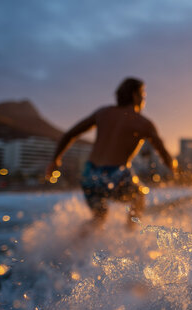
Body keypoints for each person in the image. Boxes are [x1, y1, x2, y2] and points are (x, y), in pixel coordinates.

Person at [46, 77, 174, 228]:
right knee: (139, 196)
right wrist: (174, 168)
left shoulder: (102, 113)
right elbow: (164, 154)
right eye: (143, 94)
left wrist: (55, 160)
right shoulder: (143, 123)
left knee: (99, 217)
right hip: (114, 175)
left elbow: (69, 134)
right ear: (135, 96)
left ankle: (70, 247)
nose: (144, 99)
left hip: (89, 174)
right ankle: (130, 236)